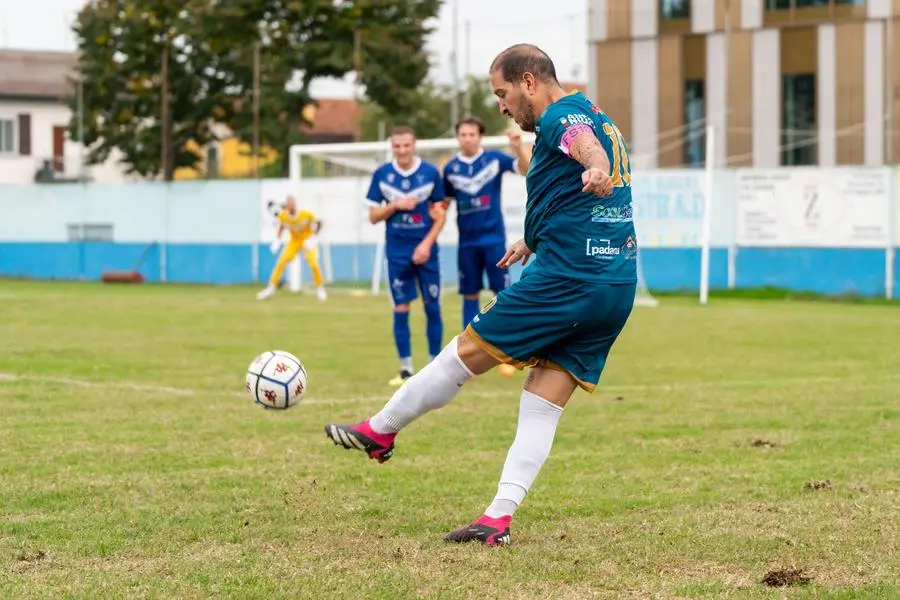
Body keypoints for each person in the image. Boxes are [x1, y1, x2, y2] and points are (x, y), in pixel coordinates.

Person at [325, 43, 637, 546]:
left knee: (464, 352)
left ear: (529, 82)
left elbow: (587, 152)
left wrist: (594, 167)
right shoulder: (598, 114)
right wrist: (533, 239)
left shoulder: (563, 118)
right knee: (542, 403)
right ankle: (497, 520)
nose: (502, 107)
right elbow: (575, 184)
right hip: (616, 283)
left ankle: (380, 428)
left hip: (568, 281)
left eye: (503, 93)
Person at [366, 126, 447, 386]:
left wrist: (426, 244)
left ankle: (435, 366)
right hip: (397, 253)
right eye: (397, 146)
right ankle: (405, 369)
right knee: (400, 308)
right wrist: (394, 205)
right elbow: (373, 217)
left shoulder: (430, 173)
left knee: (432, 306)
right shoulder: (381, 175)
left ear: (414, 145)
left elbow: (440, 215)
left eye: (406, 145)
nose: (401, 150)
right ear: (392, 147)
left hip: (426, 251)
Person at [442, 116, 531, 335]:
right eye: (463, 134)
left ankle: (505, 343)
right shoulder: (451, 168)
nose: (467, 139)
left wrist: (518, 148)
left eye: (472, 134)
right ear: (458, 138)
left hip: (493, 239)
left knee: (501, 292)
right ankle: (467, 349)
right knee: (469, 294)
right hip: (466, 243)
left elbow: (525, 169)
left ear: (480, 136)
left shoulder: (494, 159)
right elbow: (443, 201)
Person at [256, 195, 327, 302]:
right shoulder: (283, 216)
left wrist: (313, 237)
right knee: (281, 262)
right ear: (287, 206)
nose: (292, 207)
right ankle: (271, 288)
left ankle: (320, 288)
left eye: (293, 204)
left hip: (308, 239)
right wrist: (277, 240)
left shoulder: (305, 214)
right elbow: (281, 226)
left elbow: (319, 223)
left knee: (313, 263)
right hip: (294, 241)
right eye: (290, 205)